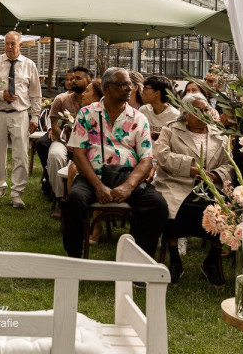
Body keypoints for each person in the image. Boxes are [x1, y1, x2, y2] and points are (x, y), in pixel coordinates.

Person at [61, 67, 168, 259]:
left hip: (127, 175)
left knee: (157, 205)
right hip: (93, 175)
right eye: (123, 84)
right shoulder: (87, 114)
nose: (130, 88)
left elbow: (146, 159)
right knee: (74, 201)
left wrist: (128, 186)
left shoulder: (139, 118)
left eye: (130, 84)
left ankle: (141, 261)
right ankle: (74, 258)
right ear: (108, 88)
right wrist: (98, 186)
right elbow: (78, 154)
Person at [153, 92, 234, 286]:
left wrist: (215, 175)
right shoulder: (171, 130)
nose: (203, 113)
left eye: (205, 109)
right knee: (172, 208)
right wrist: (189, 168)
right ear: (185, 113)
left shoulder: (219, 133)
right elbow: (162, 155)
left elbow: (229, 163)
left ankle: (212, 260)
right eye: (197, 110)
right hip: (176, 182)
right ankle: (174, 259)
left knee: (222, 210)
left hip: (210, 186)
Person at [0, 31, 41, 208]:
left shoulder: (29, 65)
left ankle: (17, 192)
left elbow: (35, 94)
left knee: (21, 153)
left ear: (20, 45)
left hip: (20, 114)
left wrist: (35, 117)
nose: (9, 47)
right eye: (7, 43)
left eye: (13, 44)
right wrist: (0, 95)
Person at [44, 66, 91, 207]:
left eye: (78, 78)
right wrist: (66, 142)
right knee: (55, 155)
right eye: (71, 78)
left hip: (89, 145)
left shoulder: (96, 102)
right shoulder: (61, 99)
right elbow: (54, 125)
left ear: (89, 81)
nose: (72, 82)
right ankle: (60, 198)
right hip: (64, 140)